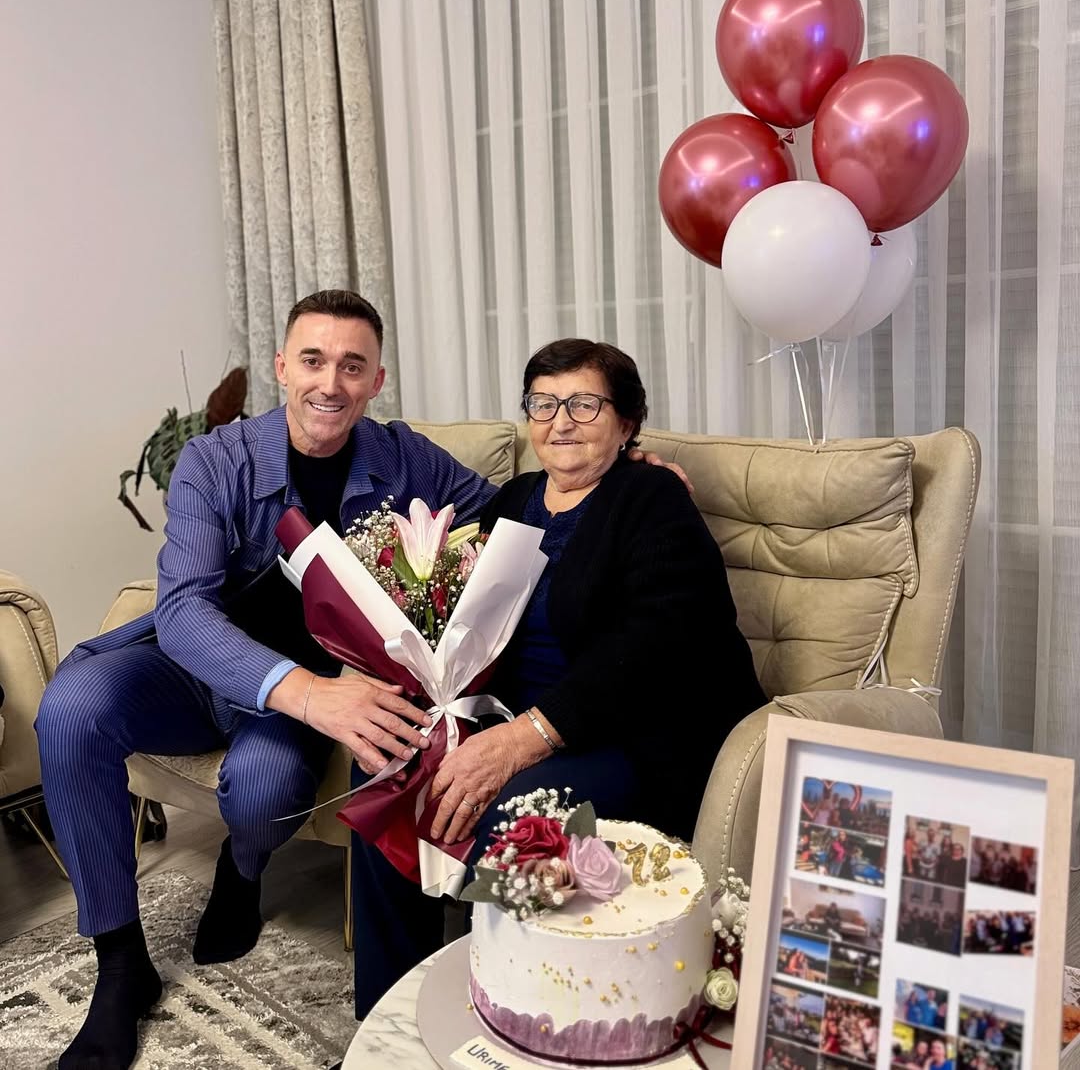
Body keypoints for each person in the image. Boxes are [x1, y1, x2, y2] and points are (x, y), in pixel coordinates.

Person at [36, 296, 688, 1070]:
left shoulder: (404, 458)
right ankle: (120, 964)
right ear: (282, 366)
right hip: (193, 671)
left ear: (376, 379)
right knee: (71, 708)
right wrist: (308, 693)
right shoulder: (216, 460)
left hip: (309, 696)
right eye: (313, 360)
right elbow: (180, 613)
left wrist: (629, 471)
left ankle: (242, 869)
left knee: (264, 790)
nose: (331, 383)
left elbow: (516, 513)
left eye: (353, 365)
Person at [348, 337, 766, 1017]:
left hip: (632, 737)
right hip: (512, 714)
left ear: (626, 423)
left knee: (514, 818)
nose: (560, 421)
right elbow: (466, 614)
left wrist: (523, 738)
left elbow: (656, 645)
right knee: (385, 776)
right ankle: (390, 1015)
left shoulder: (651, 497)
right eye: (543, 404)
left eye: (583, 404)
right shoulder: (514, 499)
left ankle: (515, 1013)